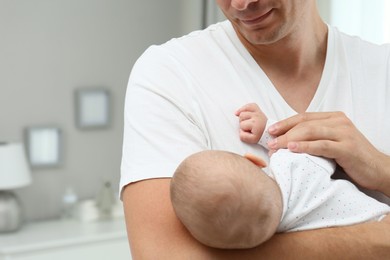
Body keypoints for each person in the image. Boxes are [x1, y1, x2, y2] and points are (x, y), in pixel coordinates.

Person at [121, 0, 390, 258]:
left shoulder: (382, 69)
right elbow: (164, 256)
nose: (241, 4)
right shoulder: (169, 75)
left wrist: (380, 168)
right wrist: (379, 241)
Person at [170, 103, 390, 250]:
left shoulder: (277, 235)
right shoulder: (291, 167)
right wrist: (266, 132)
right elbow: (325, 153)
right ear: (254, 161)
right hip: (379, 220)